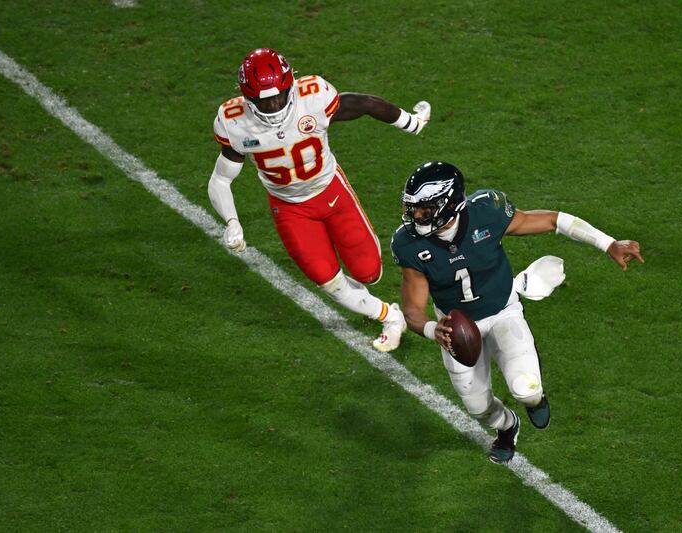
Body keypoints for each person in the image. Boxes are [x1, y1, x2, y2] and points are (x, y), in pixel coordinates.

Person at [390, 161, 644, 464]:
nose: (416, 216)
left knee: (528, 391)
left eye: (426, 208)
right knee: (477, 408)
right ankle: (508, 428)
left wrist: (608, 243)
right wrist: (435, 330)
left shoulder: (487, 211)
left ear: (450, 203)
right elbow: (412, 309)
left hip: (503, 312)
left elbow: (553, 220)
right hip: (456, 327)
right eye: (414, 208)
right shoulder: (410, 246)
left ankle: (535, 401)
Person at [209, 48, 432, 351]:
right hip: (289, 208)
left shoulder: (313, 97)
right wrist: (231, 222)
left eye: (279, 95)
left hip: (330, 190)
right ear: (248, 98)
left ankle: (368, 289)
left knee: (369, 272)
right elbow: (221, 179)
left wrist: (412, 122)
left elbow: (365, 104)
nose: (274, 105)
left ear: (292, 85)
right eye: (264, 100)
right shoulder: (234, 121)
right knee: (326, 278)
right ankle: (389, 316)